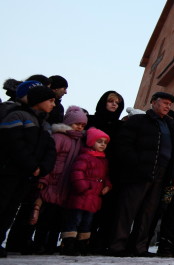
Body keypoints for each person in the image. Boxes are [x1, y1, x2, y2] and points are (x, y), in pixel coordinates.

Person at [108, 92, 174, 257]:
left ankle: (139, 247)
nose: (168, 106)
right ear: (153, 102)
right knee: (127, 210)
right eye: (165, 103)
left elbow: (172, 152)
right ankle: (117, 246)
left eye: (170, 104)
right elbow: (124, 145)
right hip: (138, 172)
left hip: (160, 174)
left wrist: (173, 173)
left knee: (148, 213)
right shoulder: (138, 121)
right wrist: (136, 163)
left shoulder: (169, 125)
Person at [0, 84, 57, 258]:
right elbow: (15, 144)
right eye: (50, 100)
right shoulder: (17, 116)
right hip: (10, 172)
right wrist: (32, 165)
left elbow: (50, 150)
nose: (53, 104)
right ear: (39, 100)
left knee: (11, 209)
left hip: (28, 176)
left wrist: (43, 168)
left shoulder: (45, 125)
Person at [33, 105, 88, 254]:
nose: (79, 127)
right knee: (46, 217)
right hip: (53, 182)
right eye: (77, 124)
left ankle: (51, 244)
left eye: (83, 125)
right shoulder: (59, 137)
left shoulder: (80, 141)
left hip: (66, 185)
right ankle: (39, 243)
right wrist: (44, 179)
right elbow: (50, 159)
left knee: (58, 218)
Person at [60, 127, 111, 255]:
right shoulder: (85, 157)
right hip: (81, 196)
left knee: (87, 222)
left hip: (93, 198)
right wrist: (83, 187)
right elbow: (77, 173)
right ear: (91, 142)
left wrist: (107, 186)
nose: (103, 145)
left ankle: (81, 244)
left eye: (105, 143)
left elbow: (105, 176)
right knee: (75, 220)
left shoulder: (103, 160)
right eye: (99, 141)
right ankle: (68, 244)